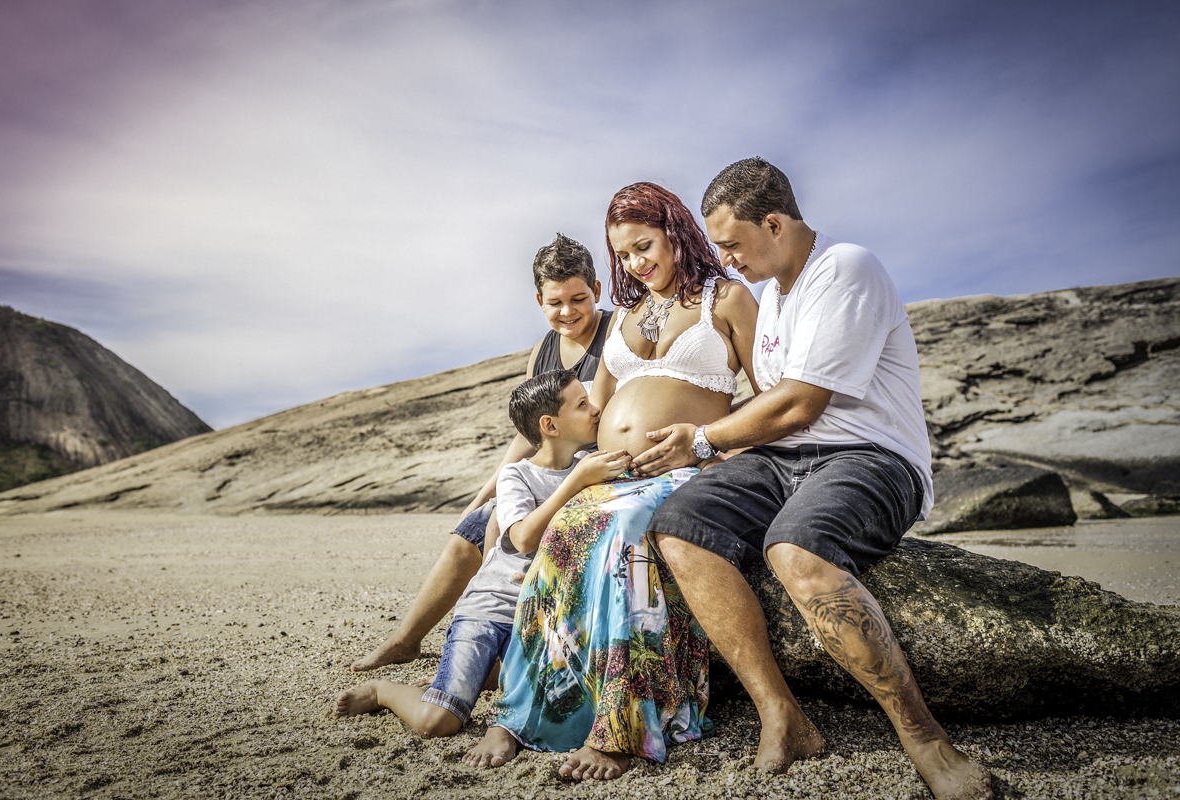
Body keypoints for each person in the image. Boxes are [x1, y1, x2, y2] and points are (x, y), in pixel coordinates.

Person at [632, 158, 993, 800]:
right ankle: (784, 716)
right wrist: (708, 459)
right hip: (786, 460)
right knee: (680, 526)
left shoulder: (846, 268)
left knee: (793, 548)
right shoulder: (772, 299)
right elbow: (773, 412)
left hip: (873, 458)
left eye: (732, 243)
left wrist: (705, 439)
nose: (726, 259)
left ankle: (924, 737)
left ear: (774, 223)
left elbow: (801, 404)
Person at [464, 182, 760, 780]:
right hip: (609, 472)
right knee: (559, 534)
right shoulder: (624, 313)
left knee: (624, 532)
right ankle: (526, 711)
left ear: (677, 233)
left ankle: (619, 726)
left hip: (684, 470)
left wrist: (715, 448)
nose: (635, 263)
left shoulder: (726, 299)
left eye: (644, 246)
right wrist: (531, 474)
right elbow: (591, 408)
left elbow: (769, 393)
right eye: (623, 255)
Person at [350, 234, 612, 673]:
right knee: (467, 530)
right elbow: (532, 435)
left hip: (585, 479)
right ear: (538, 300)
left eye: (578, 299)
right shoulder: (544, 351)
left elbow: (596, 425)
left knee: (495, 529)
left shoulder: (612, 336)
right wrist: (486, 495)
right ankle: (406, 639)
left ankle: (497, 650)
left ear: (597, 291)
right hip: (546, 473)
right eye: (554, 302)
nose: (567, 312)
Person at [333, 369, 630, 732]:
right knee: (438, 722)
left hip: (539, 616)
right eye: (583, 404)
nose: (597, 409)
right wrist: (577, 481)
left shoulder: (592, 465)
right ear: (550, 426)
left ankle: (458, 682)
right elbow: (522, 538)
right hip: (490, 608)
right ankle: (384, 691)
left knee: (546, 704)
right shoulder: (518, 476)